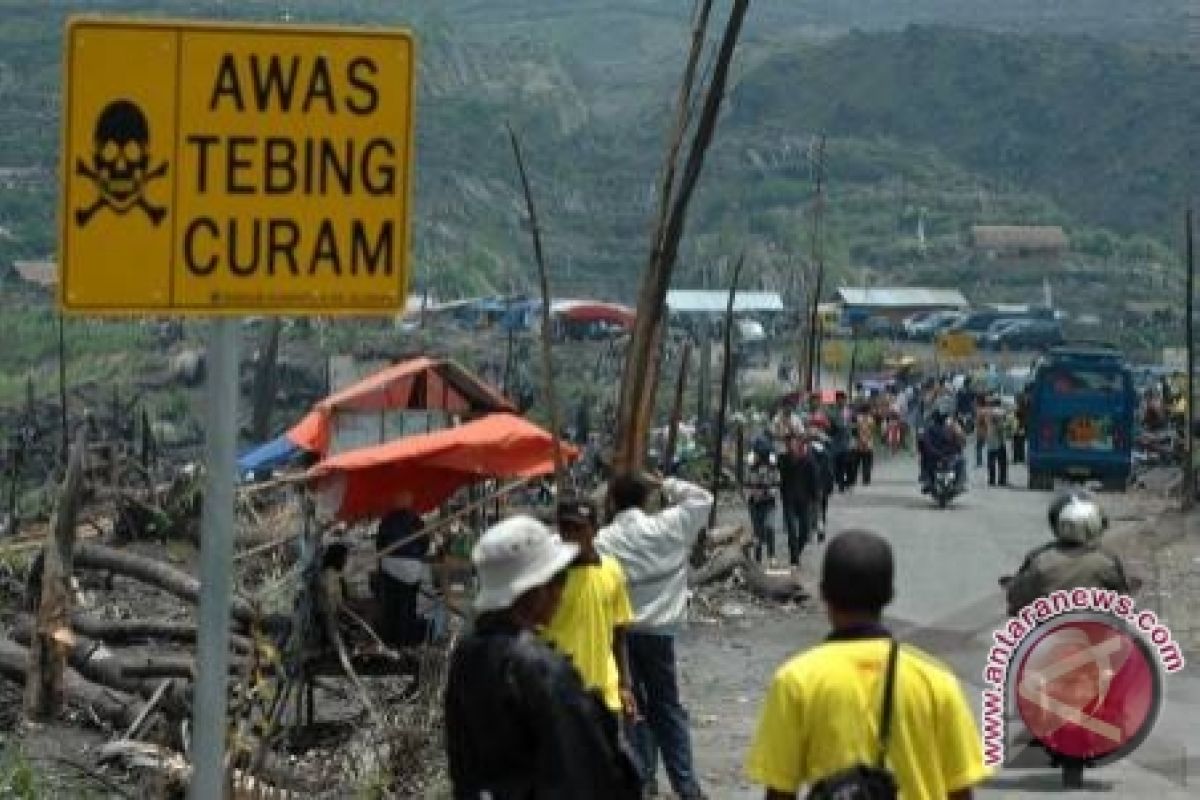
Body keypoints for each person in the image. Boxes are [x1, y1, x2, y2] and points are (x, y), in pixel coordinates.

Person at [745, 530, 990, 800]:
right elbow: (960, 790)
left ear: (824, 594)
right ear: (889, 595)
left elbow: (780, 792)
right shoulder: (936, 680)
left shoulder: (796, 680)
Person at [444, 516, 640, 799]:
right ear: (534, 590)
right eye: (558, 579)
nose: (561, 593)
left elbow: (461, 766)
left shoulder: (466, 655)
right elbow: (578, 775)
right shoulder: (541, 668)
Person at [596, 473, 713, 800]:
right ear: (647, 499)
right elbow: (703, 499)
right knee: (668, 708)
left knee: (634, 706)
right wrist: (665, 482)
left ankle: (644, 779)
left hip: (623, 634)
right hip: (661, 633)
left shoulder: (605, 539)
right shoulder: (669, 526)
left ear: (613, 502)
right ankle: (686, 785)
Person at [543, 498, 638, 722]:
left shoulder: (612, 569)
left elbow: (619, 634)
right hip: (559, 694)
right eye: (566, 528)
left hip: (605, 694)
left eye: (579, 528)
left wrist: (625, 686)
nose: (572, 536)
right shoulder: (548, 577)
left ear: (595, 530)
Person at [1005, 492, 1131, 617]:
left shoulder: (1039, 559)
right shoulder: (1107, 559)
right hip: (1094, 629)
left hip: (1052, 629)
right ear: (1095, 524)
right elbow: (1122, 599)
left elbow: (1017, 600)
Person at [374, 496, 432, 647]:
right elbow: (425, 544)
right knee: (409, 606)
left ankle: (391, 640)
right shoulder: (417, 521)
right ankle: (406, 641)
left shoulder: (387, 520)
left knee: (392, 606)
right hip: (412, 569)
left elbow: (380, 546)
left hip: (390, 566)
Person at [777, 433, 821, 569]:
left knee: (804, 531)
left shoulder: (808, 460)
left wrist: (815, 498)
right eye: (788, 443)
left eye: (794, 443)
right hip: (789, 499)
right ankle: (794, 559)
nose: (791, 446)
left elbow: (814, 479)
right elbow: (780, 478)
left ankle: (797, 552)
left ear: (799, 444)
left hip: (805, 500)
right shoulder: (783, 459)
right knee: (791, 530)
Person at [744, 436, 781, 564]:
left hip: (769, 502)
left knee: (769, 527)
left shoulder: (772, 465)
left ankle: (772, 555)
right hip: (754, 503)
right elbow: (746, 483)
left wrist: (766, 492)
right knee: (757, 530)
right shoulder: (750, 465)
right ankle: (758, 558)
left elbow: (777, 483)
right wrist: (752, 493)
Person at [919, 410, 966, 492]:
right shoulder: (950, 429)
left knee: (961, 462)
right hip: (943, 456)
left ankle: (928, 482)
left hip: (937, 456)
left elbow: (927, 445)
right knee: (961, 462)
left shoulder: (931, 430)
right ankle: (959, 484)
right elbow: (959, 443)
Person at [828, 391, 852, 492]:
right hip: (834, 442)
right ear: (836, 400)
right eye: (839, 399)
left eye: (843, 399)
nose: (841, 401)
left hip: (845, 442)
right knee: (834, 465)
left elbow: (849, 425)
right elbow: (835, 425)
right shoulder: (832, 411)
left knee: (843, 464)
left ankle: (841, 484)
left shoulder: (847, 412)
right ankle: (835, 482)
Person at [983, 397, 1009, 487]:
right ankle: (1002, 480)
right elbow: (1000, 427)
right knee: (1002, 461)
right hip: (999, 439)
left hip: (990, 438)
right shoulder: (1001, 412)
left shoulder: (988, 413)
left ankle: (991, 480)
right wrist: (1002, 438)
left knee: (991, 460)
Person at [853, 405, 877, 486]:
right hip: (868, 444)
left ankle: (853, 479)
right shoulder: (871, 419)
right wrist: (866, 440)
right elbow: (872, 431)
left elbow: (855, 431)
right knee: (867, 463)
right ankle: (866, 480)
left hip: (858, 444)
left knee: (856, 463)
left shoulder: (857, 418)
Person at [1012, 387, 1030, 464]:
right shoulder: (1026, 406)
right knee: (1020, 442)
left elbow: (1018, 415)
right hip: (1021, 425)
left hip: (1019, 425)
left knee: (1017, 442)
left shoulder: (1021, 407)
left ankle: (1017, 458)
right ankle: (1020, 457)